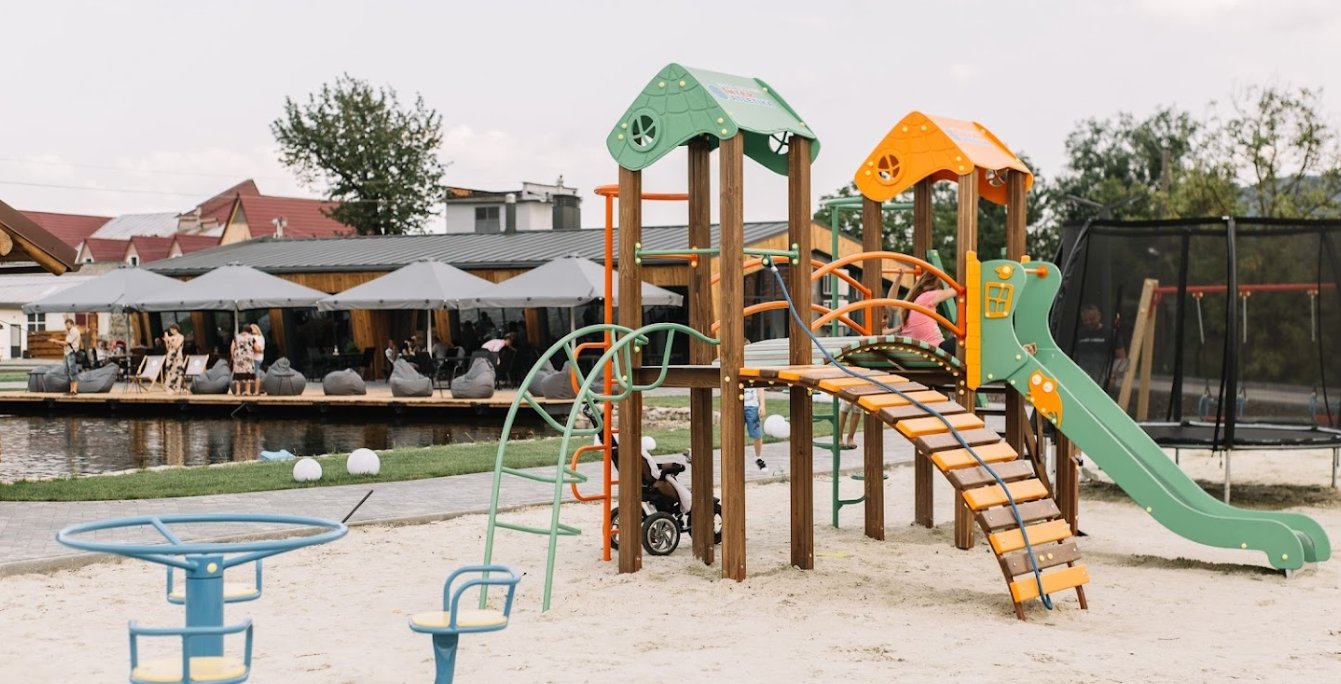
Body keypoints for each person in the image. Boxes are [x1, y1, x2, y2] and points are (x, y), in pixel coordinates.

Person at [889, 271, 958, 355]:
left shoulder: (912, 305)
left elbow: (891, 304)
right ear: (935, 289)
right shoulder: (926, 297)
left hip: (924, 350)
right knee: (966, 340)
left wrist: (899, 278)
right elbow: (957, 290)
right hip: (935, 350)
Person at [1074, 304, 1126, 388]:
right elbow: (1074, 357)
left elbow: (1121, 357)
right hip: (1082, 379)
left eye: (1092, 319)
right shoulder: (1079, 334)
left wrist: (1114, 378)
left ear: (1099, 317)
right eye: (1086, 320)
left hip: (1104, 379)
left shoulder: (1111, 334)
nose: (1089, 322)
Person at [743, 385, 767, 471]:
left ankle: (758, 458)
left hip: (752, 406)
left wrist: (762, 405)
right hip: (736, 404)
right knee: (735, 433)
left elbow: (760, 388)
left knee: (757, 434)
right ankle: (735, 457)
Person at [230, 328, 256, 396]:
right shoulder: (251, 337)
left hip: (239, 357)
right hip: (248, 357)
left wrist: (232, 356)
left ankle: (238, 392)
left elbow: (232, 347)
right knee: (248, 373)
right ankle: (248, 391)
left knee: (238, 373)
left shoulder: (236, 337)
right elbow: (256, 347)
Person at [163, 324, 186, 393]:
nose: (171, 331)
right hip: (170, 356)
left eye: (172, 330)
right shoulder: (171, 337)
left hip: (177, 356)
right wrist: (166, 342)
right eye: (170, 330)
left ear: (176, 329)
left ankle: (178, 387)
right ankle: (170, 388)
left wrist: (169, 339)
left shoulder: (181, 337)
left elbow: (176, 346)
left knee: (178, 371)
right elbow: (168, 348)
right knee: (170, 371)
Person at [62, 318, 82, 394]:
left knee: (73, 371)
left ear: (72, 324)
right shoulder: (69, 332)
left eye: (68, 325)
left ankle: (74, 390)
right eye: (66, 325)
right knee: (68, 371)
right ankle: (71, 390)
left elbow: (66, 343)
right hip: (67, 353)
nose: (66, 326)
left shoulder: (74, 331)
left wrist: (55, 341)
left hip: (71, 353)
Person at [249, 324, 266, 394]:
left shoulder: (253, 338)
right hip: (259, 357)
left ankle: (255, 391)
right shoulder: (261, 337)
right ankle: (255, 390)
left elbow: (258, 348)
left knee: (255, 374)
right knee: (256, 373)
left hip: (255, 357)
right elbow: (262, 348)